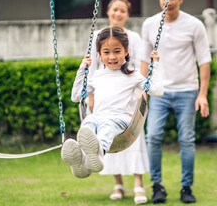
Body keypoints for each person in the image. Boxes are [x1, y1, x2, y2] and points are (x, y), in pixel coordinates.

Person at [140, 0, 211, 204]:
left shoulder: (194, 25)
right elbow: (144, 61)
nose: (167, 1)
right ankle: (157, 186)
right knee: (153, 138)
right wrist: (142, 90)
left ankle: (186, 188)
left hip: (187, 90)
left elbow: (204, 61)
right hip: (159, 92)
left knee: (187, 140)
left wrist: (202, 95)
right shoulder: (150, 24)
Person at [61, 26, 163, 183]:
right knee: (89, 121)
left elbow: (157, 91)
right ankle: (82, 162)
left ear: (126, 51)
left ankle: (99, 152)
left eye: (117, 51)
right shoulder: (97, 76)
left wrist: (155, 65)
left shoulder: (133, 76)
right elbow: (76, 96)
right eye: (106, 52)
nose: (112, 57)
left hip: (122, 121)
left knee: (106, 124)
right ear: (99, 54)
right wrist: (83, 68)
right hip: (100, 117)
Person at [88, 0, 150, 205]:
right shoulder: (98, 35)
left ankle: (138, 184)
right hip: (104, 93)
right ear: (108, 11)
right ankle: (118, 183)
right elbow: (91, 66)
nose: (118, 14)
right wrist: (90, 95)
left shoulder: (133, 37)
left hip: (128, 93)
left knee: (131, 136)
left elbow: (142, 64)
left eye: (122, 11)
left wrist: (142, 91)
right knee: (107, 136)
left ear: (127, 14)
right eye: (114, 9)